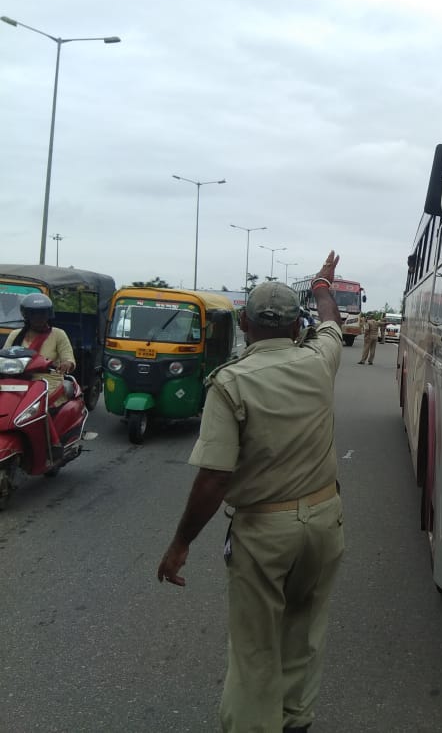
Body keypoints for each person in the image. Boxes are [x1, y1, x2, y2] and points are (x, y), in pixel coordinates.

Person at [157, 252, 345, 733]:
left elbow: (215, 478)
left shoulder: (231, 382)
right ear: (296, 326)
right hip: (325, 521)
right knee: (304, 629)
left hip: (265, 531)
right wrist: (322, 285)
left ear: (244, 323)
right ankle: (295, 719)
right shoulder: (320, 361)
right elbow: (330, 322)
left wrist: (180, 544)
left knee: (255, 643)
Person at [4, 292, 76, 407]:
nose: (38, 317)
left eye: (42, 313)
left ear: (48, 315)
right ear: (27, 315)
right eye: (34, 313)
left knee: (40, 407)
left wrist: (66, 364)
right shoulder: (15, 334)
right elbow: (4, 356)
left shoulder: (58, 334)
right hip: (16, 380)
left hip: (47, 382)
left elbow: (69, 359)